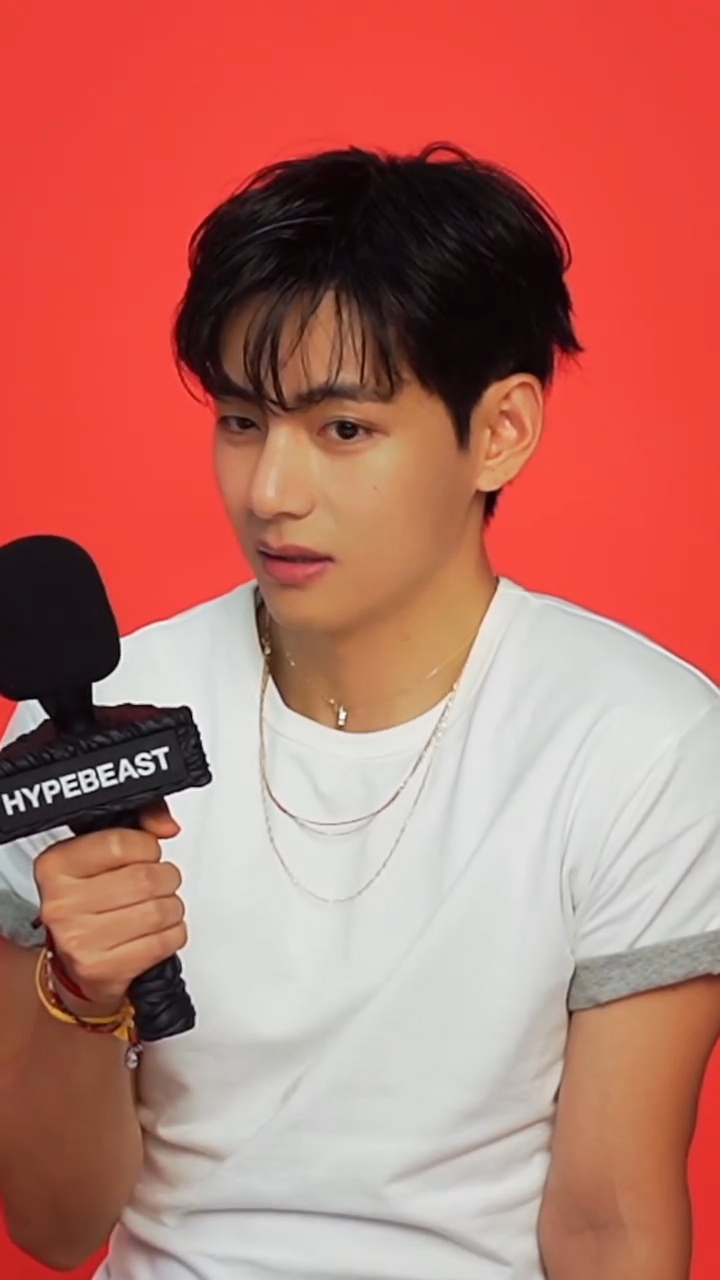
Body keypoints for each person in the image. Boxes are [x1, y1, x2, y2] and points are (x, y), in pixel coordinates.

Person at [0, 143, 718, 1280]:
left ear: (501, 430)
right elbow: (54, 1223)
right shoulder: (91, 734)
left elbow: (608, 1221)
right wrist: (81, 995)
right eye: (242, 420)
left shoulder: (643, 740)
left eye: (344, 429)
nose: (270, 491)